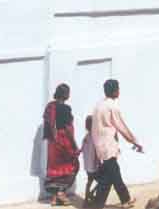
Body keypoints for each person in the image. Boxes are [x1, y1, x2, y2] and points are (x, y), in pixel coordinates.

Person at [89, 79, 143, 209]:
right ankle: (120, 201)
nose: (119, 91)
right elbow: (121, 127)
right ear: (114, 91)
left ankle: (118, 201)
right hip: (108, 146)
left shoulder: (98, 105)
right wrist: (135, 141)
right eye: (118, 88)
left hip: (100, 146)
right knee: (112, 176)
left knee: (110, 176)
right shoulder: (112, 107)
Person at [43, 84, 78, 206]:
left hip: (52, 143)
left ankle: (53, 198)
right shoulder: (65, 108)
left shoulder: (49, 106)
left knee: (54, 168)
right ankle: (61, 193)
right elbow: (68, 128)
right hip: (63, 141)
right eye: (68, 93)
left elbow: (48, 125)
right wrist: (74, 144)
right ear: (65, 95)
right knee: (70, 166)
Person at [81, 115, 101, 205]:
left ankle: (86, 198)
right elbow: (96, 152)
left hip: (87, 166)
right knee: (104, 181)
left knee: (89, 181)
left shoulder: (85, 138)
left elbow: (83, 151)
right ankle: (91, 193)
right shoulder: (95, 138)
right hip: (94, 166)